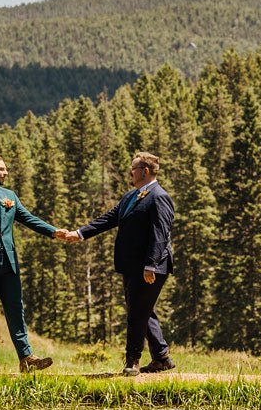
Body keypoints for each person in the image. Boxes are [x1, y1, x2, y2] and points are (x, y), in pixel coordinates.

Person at [60, 152, 175, 376]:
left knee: (136, 313)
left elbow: (160, 233)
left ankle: (132, 361)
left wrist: (150, 264)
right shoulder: (130, 197)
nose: (130, 172)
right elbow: (108, 218)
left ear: (145, 171)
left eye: (133, 168)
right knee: (142, 310)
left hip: (150, 267)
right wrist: (80, 233)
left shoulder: (159, 197)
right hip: (132, 266)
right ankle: (162, 357)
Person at [0, 154, 67, 374]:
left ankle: (26, 358)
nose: (6, 173)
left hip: (10, 266)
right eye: (1, 169)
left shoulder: (9, 196)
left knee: (16, 310)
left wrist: (54, 232)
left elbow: (28, 218)